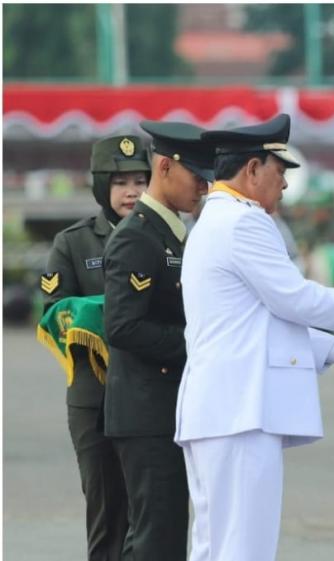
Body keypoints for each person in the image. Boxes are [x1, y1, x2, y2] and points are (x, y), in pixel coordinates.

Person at [175, 114, 334, 561]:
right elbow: (294, 299)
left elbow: (259, 321)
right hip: (240, 413)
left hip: (220, 412)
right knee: (243, 549)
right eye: (279, 171)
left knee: (214, 547)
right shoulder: (243, 222)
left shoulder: (215, 220)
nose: (285, 185)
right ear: (252, 169)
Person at [102, 120, 215, 561]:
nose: (203, 187)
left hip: (168, 407)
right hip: (146, 413)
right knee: (157, 540)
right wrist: (199, 342)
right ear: (165, 167)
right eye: (196, 176)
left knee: (164, 536)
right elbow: (123, 326)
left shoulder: (172, 233)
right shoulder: (137, 236)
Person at [40, 135, 150, 561]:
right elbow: (55, 311)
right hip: (95, 397)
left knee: (150, 512)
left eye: (140, 179)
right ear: (102, 185)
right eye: (121, 181)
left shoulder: (166, 240)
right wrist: (122, 313)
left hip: (150, 395)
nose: (132, 191)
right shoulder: (73, 243)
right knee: (107, 511)